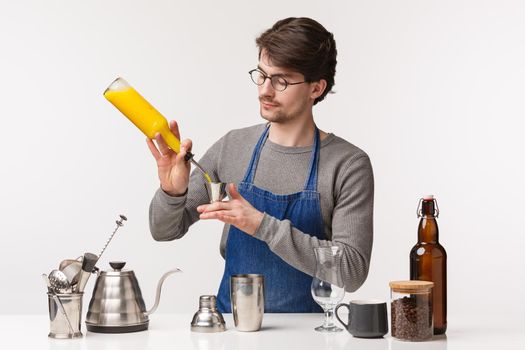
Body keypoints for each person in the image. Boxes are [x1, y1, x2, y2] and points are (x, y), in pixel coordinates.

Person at [147, 17, 374, 313]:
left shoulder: (347, 165)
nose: (265, 90)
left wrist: (261, 225)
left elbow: (351, 270)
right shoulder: (232, 147)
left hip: (309, 335)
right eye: (262, 75)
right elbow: (164, 231)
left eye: (281, 80)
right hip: (232, 328)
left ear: (316, 88)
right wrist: (171, 192)